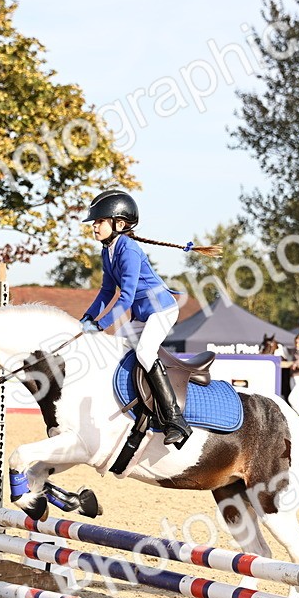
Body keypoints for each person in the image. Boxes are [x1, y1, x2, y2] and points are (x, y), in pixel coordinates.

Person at [79, 189, 192, 447]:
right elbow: (107, 291)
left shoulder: (128, 250)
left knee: (144, 353)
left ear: (118, 224)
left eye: (99, 221)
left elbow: (126, 297)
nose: (94, 227)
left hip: (161, 311)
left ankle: (176, 420)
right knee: (115, 351)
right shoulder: (107, 251)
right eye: (94, 222)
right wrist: (87, 317)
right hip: (142, 315)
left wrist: (100, 325)